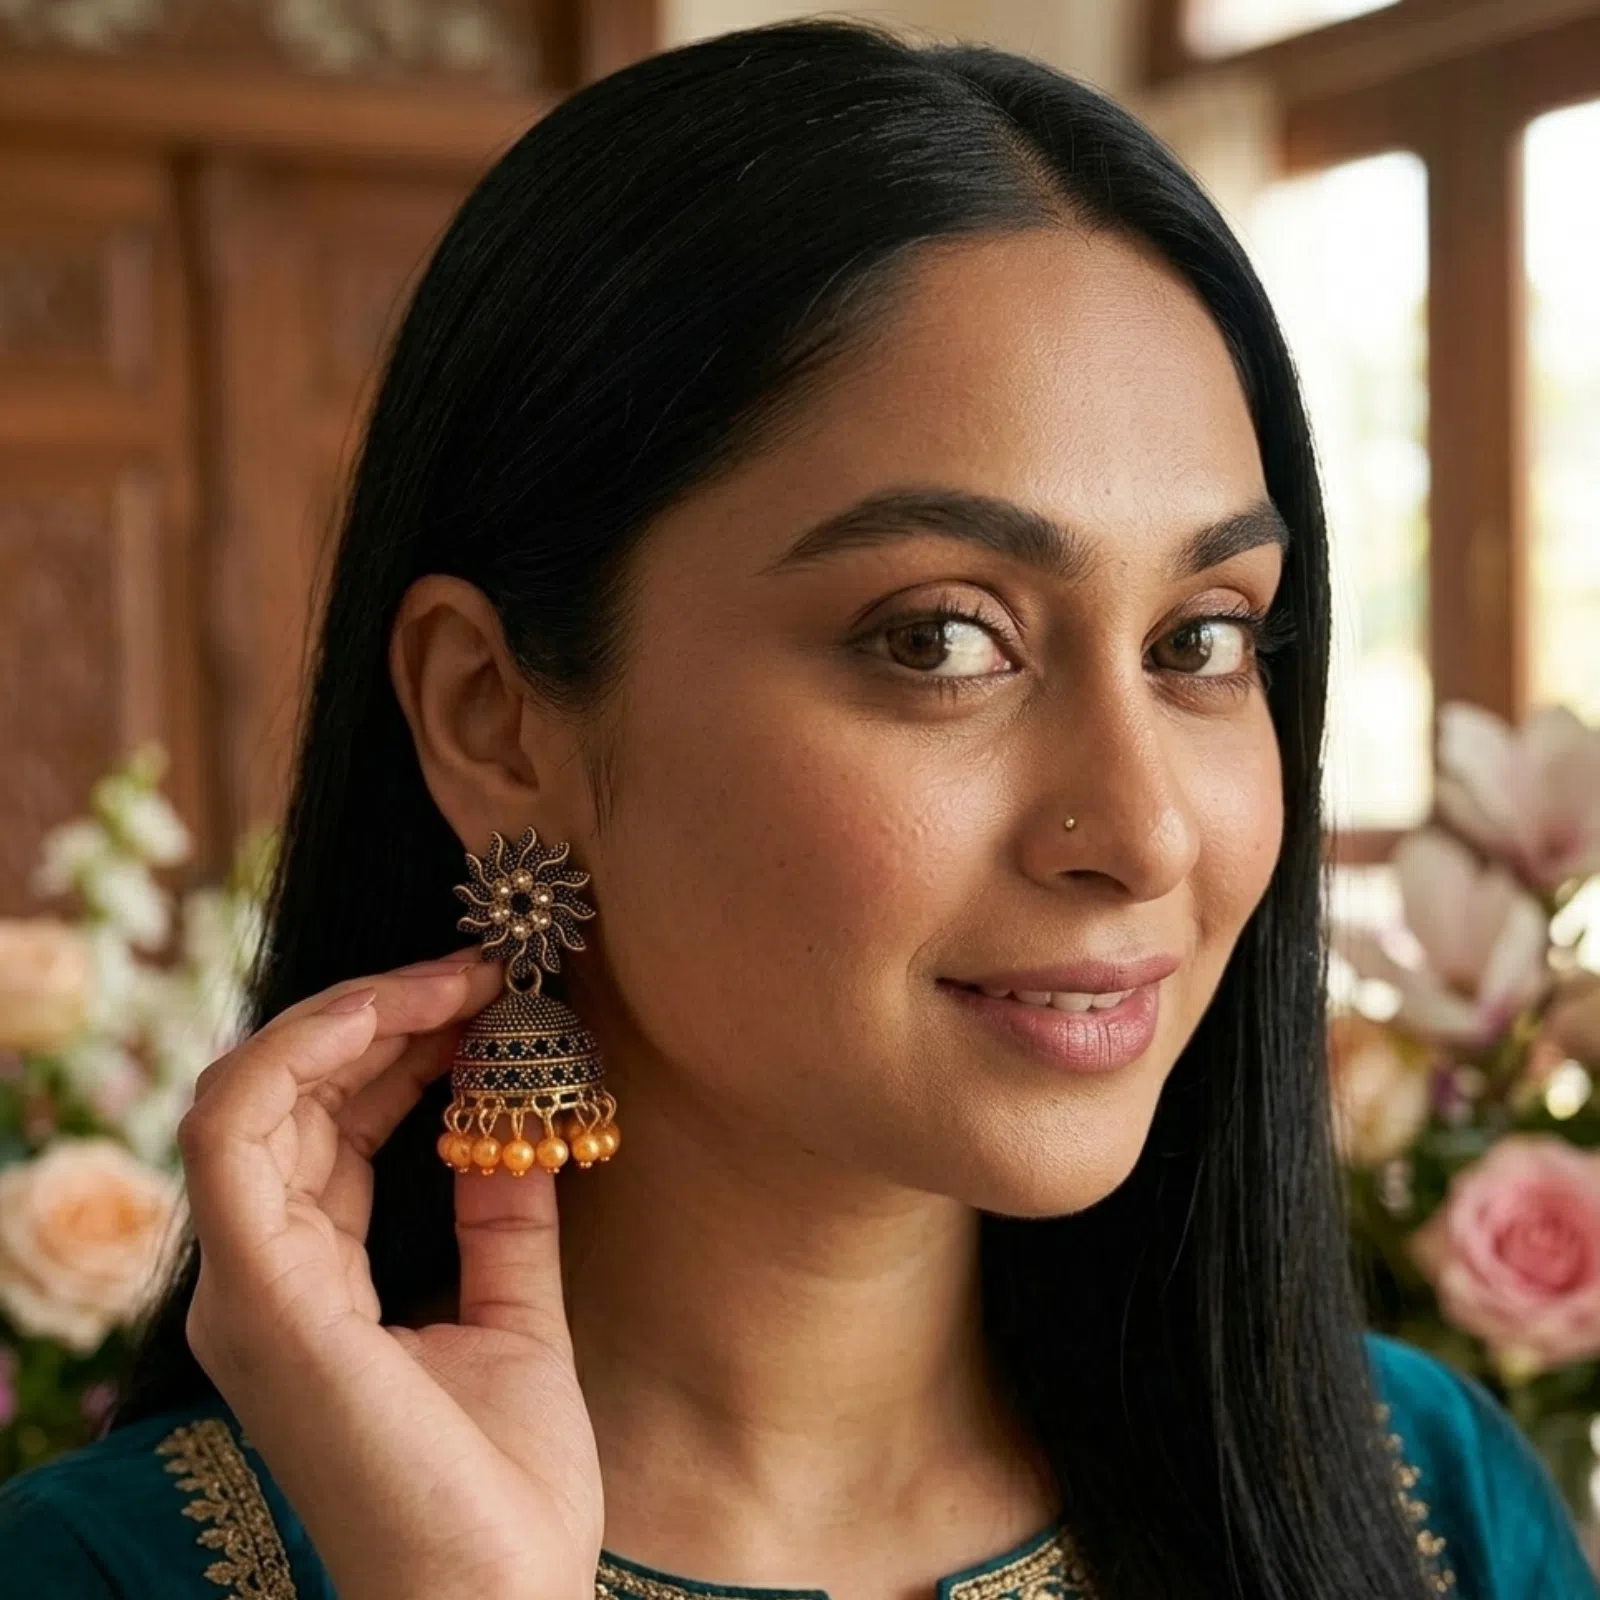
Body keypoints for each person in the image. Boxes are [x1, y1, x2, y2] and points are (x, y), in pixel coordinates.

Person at [0, 18, 1592, 1599]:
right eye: (941, 639)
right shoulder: (109, 1574)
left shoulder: (1426, 1504)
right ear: (494, 716)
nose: (1146, 832)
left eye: (1203, 642)